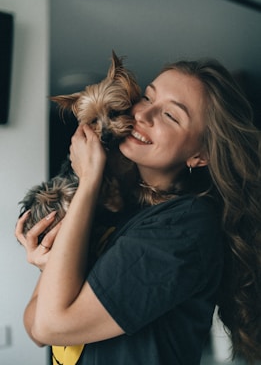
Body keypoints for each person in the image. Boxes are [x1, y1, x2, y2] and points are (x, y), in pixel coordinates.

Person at [16, 58, 261, 365]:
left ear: (202, 154)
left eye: (171, 115)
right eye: (147, 96)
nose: (142, 112)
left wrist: (90, 179)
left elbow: (50, 325)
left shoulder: (183, 226)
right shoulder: (114, 207)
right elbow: (36, 330)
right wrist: (51, 265)